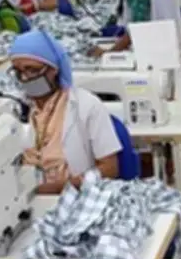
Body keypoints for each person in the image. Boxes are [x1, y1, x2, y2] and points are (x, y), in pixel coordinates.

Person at [9, 30, 121, 195]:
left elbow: (110, 168)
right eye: (18, 72)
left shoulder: (86, 106)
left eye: (32, 70)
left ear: (53, 69)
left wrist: (64, 186)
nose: (24, 78)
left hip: (75, 194)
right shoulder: (17, 108)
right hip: (29, 195)